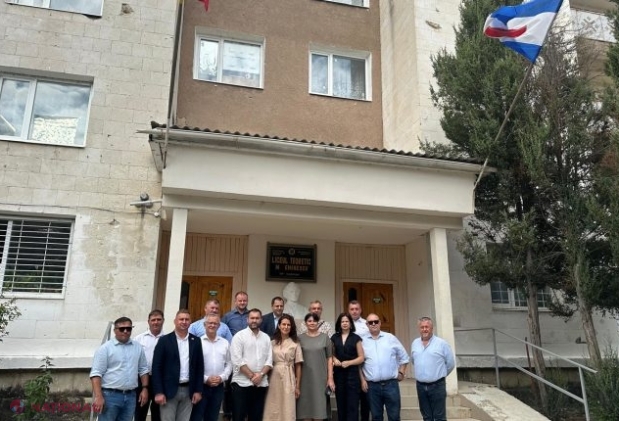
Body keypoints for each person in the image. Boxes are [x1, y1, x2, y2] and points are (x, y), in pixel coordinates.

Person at [90, 316, 149, 421]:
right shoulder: (105, 349)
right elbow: (96, 374)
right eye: (122, 329)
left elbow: (143, 369)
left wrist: (145, 388)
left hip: (131, 396)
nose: (125, 331)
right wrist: (98, 396)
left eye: (128, 328)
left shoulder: (138, 347)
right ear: (115, 330)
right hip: (110, 396)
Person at [152, 309, 204, 421]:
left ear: (190, 322)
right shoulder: (164, 341)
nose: (184, 322)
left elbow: (200, 367)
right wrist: (159, 392)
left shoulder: (196, 341)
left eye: (187, 319)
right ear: (175, 321)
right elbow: (156, 368)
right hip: (168, 391)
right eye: (181, 319)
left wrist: (198, 390)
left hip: (189, 390)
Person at [359, 314, 409, 421]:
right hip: (372, 387)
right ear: (367, 325)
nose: (373, 324)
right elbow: (359, 363)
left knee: (394, 417)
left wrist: (401, 372)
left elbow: (404, 357)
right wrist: (362, 380)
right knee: (376, 417)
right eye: (370, 322)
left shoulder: (390, 338)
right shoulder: (362, 342)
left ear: (380, 323)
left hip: (391, 385)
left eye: (376, 321)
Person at [230, 308, 273, 421]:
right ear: (247, 320)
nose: (254, 320)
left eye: (257, 318)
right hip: (241, 384)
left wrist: (260, 375)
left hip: (260, 384)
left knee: (256, 418)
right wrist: (252, 376)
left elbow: (269, 361)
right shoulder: (239, 336)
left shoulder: (266, 338)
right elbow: (237, 360)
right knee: (238, 417)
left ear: (261, 320)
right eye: (252, 318)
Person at [411, 316, 455, 421]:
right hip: (421, 386)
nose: (424, 329)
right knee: (426, 417)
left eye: (427, 327)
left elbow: (450, 364)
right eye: (422, 327)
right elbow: (413, 360)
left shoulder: (442, 344)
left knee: (439, 417)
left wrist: (439, 374)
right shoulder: (415, 343)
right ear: (419, 329)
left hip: (437, 386)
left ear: (432, 328)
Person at [191, 313, 232, 421]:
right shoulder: (197, 343)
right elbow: (193, 366)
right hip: (201, 387)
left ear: (219, 326)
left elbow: (229, 363)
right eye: (210, 323)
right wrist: (205, 379)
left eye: (215, 323)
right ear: (204, 325)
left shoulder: (225, 343)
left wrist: (222, 377)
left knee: (213, 417)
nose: (212, 325)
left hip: (218, 387)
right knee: (197, 417)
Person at [264, 314, 304, 421]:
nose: (286, 327)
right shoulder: (272, 343)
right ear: (279, 325)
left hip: (289, 376)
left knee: (287, 405)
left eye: (288, 325)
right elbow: (268, 362)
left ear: (291, 327)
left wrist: (298, 386)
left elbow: (298, 365)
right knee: (273, 405)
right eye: (283, 324)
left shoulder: (295, 343)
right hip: (274, 376)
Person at [296, 313, 334, 421]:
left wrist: (330, 378)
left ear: (318, 322)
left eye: (314, 321)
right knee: (305, 410)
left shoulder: (325, 338)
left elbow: (329, 358)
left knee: (319, 410)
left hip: (320, 377)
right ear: (305, 323)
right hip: (304, 378)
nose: (312, 323)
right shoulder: (299, 338)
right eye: (309, 321)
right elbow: (297, 360)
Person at [222, 291, 250, 421]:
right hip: (232, 355)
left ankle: (244, 413)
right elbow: (222, 332)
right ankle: (228, 413)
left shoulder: (251, 315)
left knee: (245, 385)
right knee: (229, 385)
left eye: (244, 300)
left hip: (248, 355)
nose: (242, 303)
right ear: (235, 301)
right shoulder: (228, 316)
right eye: (240, 300)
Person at [331, 313, 365, 421]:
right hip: (338, 375)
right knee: (341, 405)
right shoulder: (334, 337)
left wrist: (349, 362)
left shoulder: (356, 338)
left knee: (352, 405)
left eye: (347, 321)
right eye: (342, 321)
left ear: (350, 324)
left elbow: (361, 358)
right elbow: (330, 354)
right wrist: (334, 359)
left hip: (352, 376)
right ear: (339, 323)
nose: (345, 323)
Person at [134, 310, 165, 421]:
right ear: (148, 322)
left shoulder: (168, 339)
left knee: (158, 414)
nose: (156, 322)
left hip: (160, 381)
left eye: (159, 319)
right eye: (153, 320)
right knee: (140, 412)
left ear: (163, 321)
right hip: (142, 380)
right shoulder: (139, 339)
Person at [347, 300, 369, 421]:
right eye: (352, 309)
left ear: (360, 310)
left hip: (364, 363)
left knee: (365, 398)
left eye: (356, 309)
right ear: (348, 310)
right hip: (348, 364)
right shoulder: (344, 323)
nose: (354, 311)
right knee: (351, 399)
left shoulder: (366, 324)